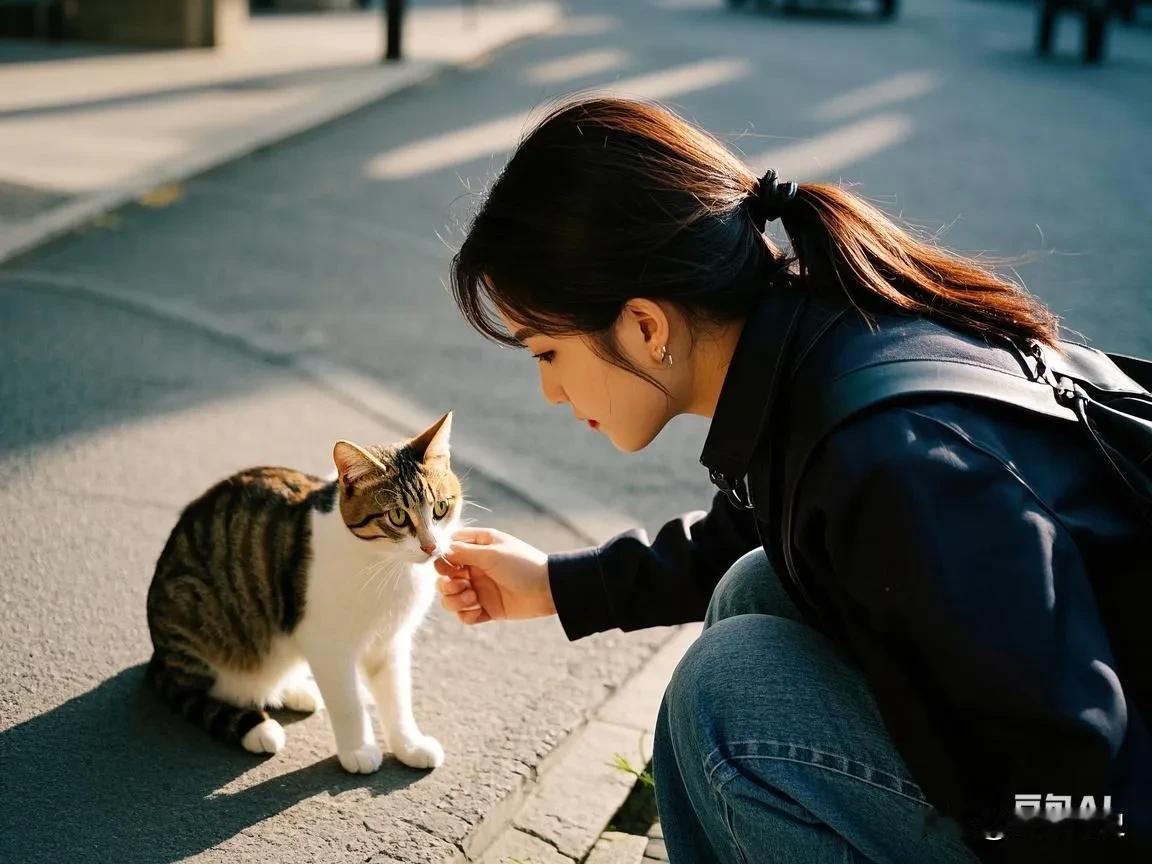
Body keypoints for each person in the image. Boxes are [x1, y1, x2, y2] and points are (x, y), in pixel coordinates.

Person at [432, 96, 1150, 863]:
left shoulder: (897, 467)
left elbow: (1080, 774)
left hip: (1096, 824)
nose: (549, 391)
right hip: (1045, 773)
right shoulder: (812, 338)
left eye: (547, 353)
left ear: (646, 326)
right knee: (755, 587)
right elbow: (761, 529)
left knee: (729, 693)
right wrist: (551, 585)